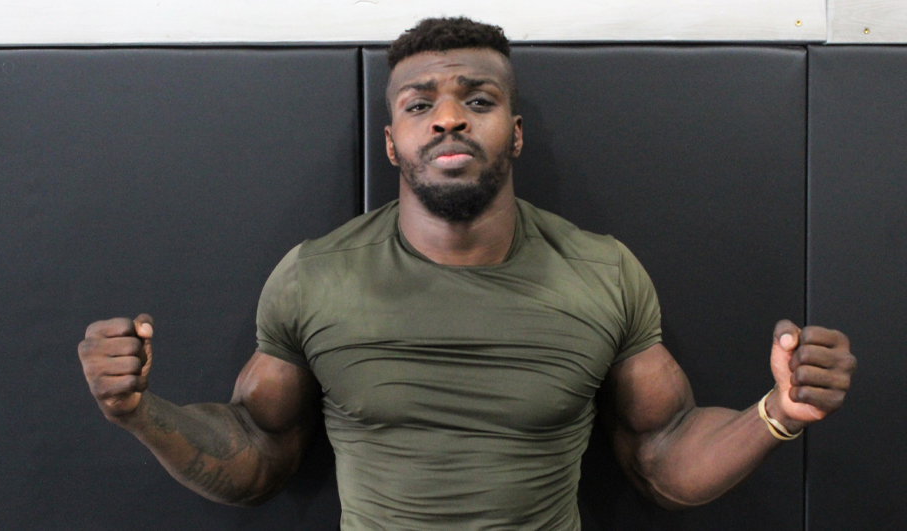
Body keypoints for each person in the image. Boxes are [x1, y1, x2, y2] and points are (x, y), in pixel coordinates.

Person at [78, 17, 856, 530]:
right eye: (420, 104)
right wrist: (140, 413)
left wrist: (776, 411)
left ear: (513, 133)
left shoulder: (601, 270)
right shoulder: (315, 276)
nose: (448, 116)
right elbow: (257, 451)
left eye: (476, 99)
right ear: (391, 143)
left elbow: (663, 453)